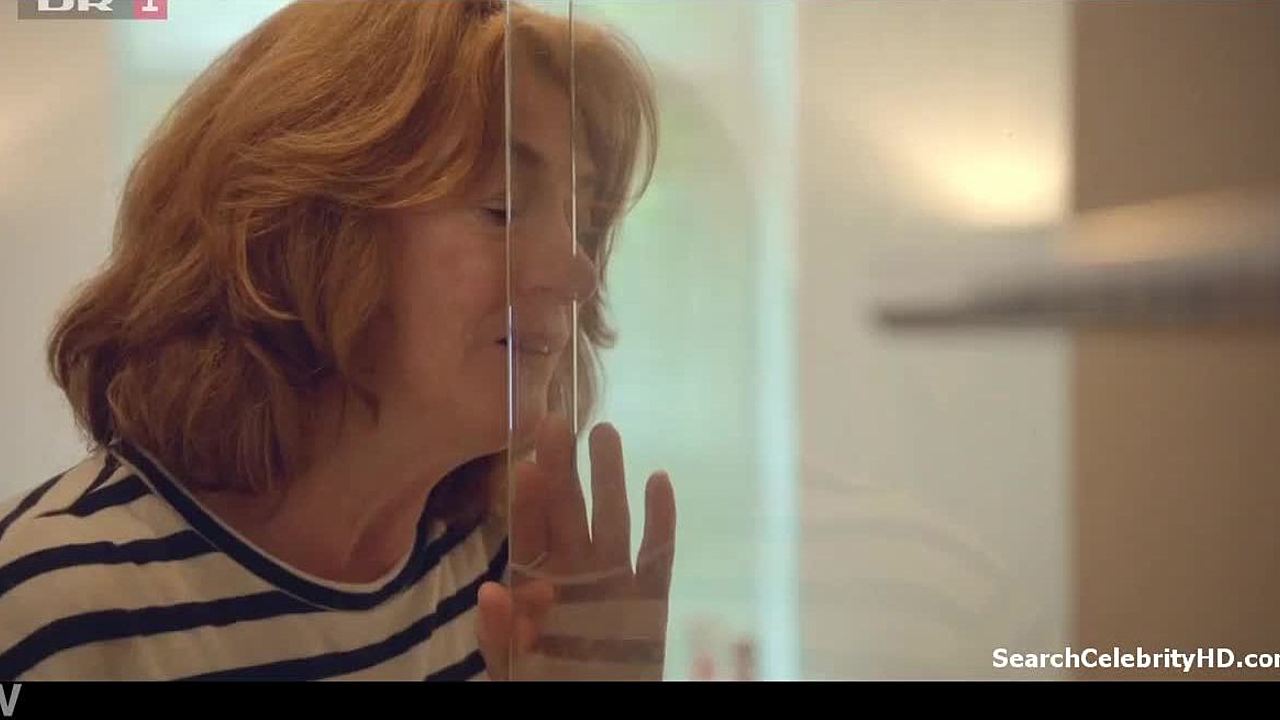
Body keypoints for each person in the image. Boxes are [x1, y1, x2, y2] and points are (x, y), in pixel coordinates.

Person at [0, 0, 674, 681]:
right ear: (303, 235)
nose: (578, 273)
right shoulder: (51, 612)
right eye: (500, 208)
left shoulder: (506, 581)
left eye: (582, 221)